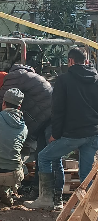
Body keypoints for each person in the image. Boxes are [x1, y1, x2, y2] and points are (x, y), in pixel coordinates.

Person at [24, 47, 98, 210]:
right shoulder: (96, 78)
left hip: (73, 133)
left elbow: (57, 110)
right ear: (86, 61)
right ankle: (89, 208)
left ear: (70, 61)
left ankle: (46, 199)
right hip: (93, 133)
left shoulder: (64, 80)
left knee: (44, 157)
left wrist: (55, 135)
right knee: (86, 174)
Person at [0, 64, 64, 206]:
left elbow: (0, 100)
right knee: (42, 156)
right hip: (47, 118)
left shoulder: (14, 77)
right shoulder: (24, 75)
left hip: (51, 117)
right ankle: (41, 194)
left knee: (52, 157)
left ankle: (56, 198)